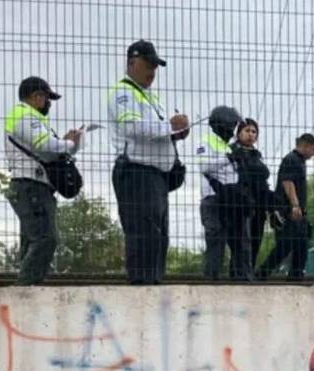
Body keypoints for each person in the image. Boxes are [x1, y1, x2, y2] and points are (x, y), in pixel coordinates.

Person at [108, 40, 189, 284]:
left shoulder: (150, 97)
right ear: (132, 63)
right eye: (148, 65)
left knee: (158, 240)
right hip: (137, 173)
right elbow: (131, 126)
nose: (152, 72)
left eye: (155, 67)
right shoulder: (124, 93)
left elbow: (157, 132)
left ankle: (153, 288)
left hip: (156, 177)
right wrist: (169, 126)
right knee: (144, 237)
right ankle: (142, 291)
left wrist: (177, 132)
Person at [4, 77, 82, 285]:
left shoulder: (31, 119)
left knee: (32, 240)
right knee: (45, 239)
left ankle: (27, 291)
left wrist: (69, 143)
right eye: (47, 98)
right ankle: (24, 290)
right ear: (36, 96)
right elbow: (46, 145)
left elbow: (50, 150)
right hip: (30, 185)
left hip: (34, 186)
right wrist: (67, 143)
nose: (48, 103)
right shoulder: (25, 116)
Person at [198, 106, 253, 280]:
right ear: (224, 124)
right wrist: (229, 158)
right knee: (216, 241)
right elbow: (204, 166)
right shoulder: (206, 141)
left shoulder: (228, 146)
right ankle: (211, 280)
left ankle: (242, 279)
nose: (234, 129)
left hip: (232, 200)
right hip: (214, 199)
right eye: (233, 125)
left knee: (241, 243)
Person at [256, 133, 314, 280]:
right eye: (313, 149)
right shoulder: (292, 160)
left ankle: (296, 275)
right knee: (286, 244)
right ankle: (263, 272)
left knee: (301, 244)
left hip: (296, 211)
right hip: (288, 210)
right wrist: (295, 205)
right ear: (305, 146)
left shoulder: (299, 161)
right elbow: (287, 182)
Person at [231, 118, 272, 269]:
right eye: (247, 130)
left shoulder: (257, 155)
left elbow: (264, 175)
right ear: (239, 133)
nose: (251, 134)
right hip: (242, 203)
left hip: (259, 204)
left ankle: (251, 272)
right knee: (242, 243)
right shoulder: (234, 152)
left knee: (256, 240)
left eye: (254, 132)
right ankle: (239, 274)